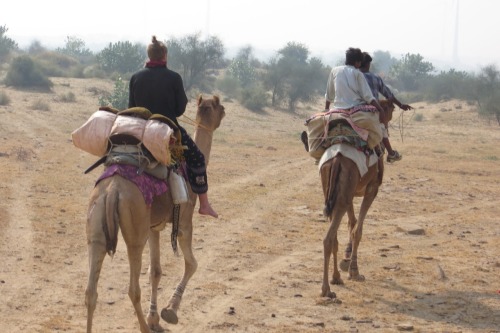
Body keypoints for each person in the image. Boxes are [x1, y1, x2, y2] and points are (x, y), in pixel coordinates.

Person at [129, 36, 218, 218]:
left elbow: (132, 108)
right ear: (165, 56)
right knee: (198, 158)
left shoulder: (135, 77)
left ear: (149, 55)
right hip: (169, 131)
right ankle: (204, 204)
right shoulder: (174, 78)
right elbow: (179, 110)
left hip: (141, 131)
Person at [324, 47, 387, 149]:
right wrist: (380, 109)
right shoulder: (358, 73)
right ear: (357, 62)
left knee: (321, 129)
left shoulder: (334, 70)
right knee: (378, 131)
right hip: (357, 112)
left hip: (337, 111)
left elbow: (329, 94)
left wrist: (326, 111)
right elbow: (368, 97)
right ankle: (370, 149)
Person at [359, 52, 413, 163]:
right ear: (369, 64)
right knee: (381, 128)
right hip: (369, 111)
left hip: (350, 110)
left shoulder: (352, 77)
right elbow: (389, 95)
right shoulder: (374, 78)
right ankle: (391, 153)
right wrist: (401, 105)